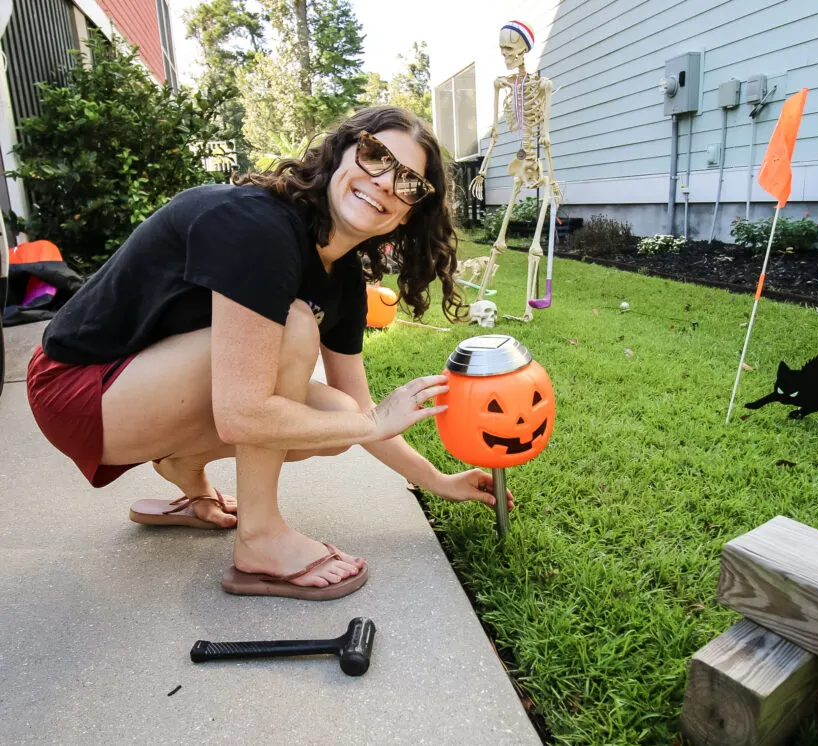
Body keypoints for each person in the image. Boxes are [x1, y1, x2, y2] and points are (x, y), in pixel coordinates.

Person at [25, 106, 512, 601]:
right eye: (375, 155)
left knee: (336, 414)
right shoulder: (261, 225)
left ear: (412, 212)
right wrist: (371, 422)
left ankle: (182, 468)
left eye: (410, 183)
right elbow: (245, 415)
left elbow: (361, 410)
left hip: (137, 389)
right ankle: (259, 539)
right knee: (295, 327)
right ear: (341, 153)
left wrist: (437, 480)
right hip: (76, 390)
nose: (386, 183)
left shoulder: (340, 274)